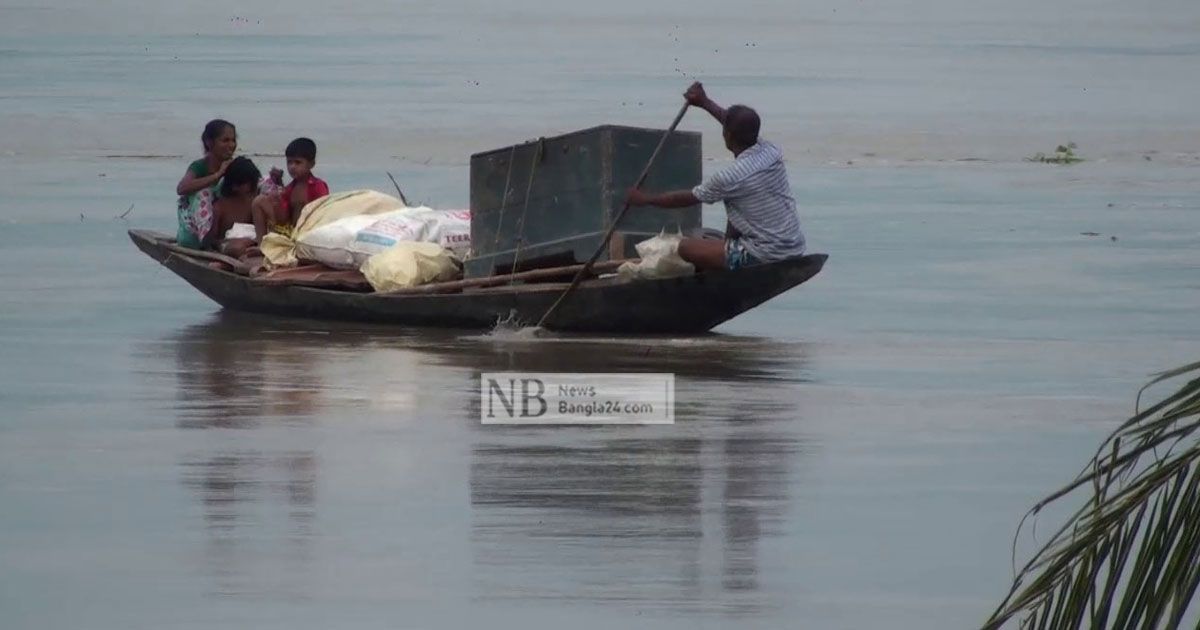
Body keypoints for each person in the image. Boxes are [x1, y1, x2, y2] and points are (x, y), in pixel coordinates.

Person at [626, 82, 806, 270]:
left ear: (727, 135)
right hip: (793, 247)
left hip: (763, 255)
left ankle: (723, 268)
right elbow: (731, 123)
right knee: (730, 216)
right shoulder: (771, 151)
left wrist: (644, 199)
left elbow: (686, 198)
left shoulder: (730, 177)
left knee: (684, 247)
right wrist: (704, 102)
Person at [251, 137, 330, 240]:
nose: (292, 167)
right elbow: (283, 220)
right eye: (289, 162)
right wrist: (277, 202)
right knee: (259, 201)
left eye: (298, 162)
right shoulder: (290, 188)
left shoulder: (318, 186)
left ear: (311, 164)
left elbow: (324, 213)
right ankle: (261, 243)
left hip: (310, 232)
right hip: (290, 231)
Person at [175, 119, 237, 248]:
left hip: (223, 230)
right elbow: (181, 188)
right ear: (209, 143)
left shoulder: (234, 165)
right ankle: (208, 243)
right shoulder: (199, 166)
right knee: (204, 193)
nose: (231, 145)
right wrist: (218, 175)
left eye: (233, 140)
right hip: (194, 234)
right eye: (225, 140)